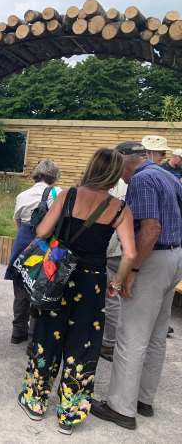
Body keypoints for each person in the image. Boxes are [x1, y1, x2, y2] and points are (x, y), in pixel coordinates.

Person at [17, 148, 137, 435]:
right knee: (82, 344)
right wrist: (117, 283)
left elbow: (42, 232)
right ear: (115, 173)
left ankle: (35, 402)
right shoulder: (120, 208)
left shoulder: (68, 195)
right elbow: (130, 253)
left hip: (58, 276)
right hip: (92, 281)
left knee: (47, 335)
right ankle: (68, 415)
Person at [91, 141, 182, 430]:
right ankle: (144, 399)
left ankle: (121, 407)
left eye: (118, 166)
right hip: (174, 257)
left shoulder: (141, 180)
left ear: (125, 160)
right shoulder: (168, 175)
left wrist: (132, 270)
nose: (118, 175)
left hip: (153, 259)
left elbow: (150, 229)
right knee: (156, 333)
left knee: (132, 334)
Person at [6, 160, 61, 349]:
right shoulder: (57, 193)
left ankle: (17, 332)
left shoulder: (22, 195)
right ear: (54, 176)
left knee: (20, 289)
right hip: (44, 244)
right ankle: (34, 338)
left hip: (23, 242)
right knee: (40, 290)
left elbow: (18, 222)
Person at [100, 177, 128, 361]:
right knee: (121, 297)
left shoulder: (116, 184)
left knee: (112, 298)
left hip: (116, 250)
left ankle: (109, 344)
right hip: (127, 249)